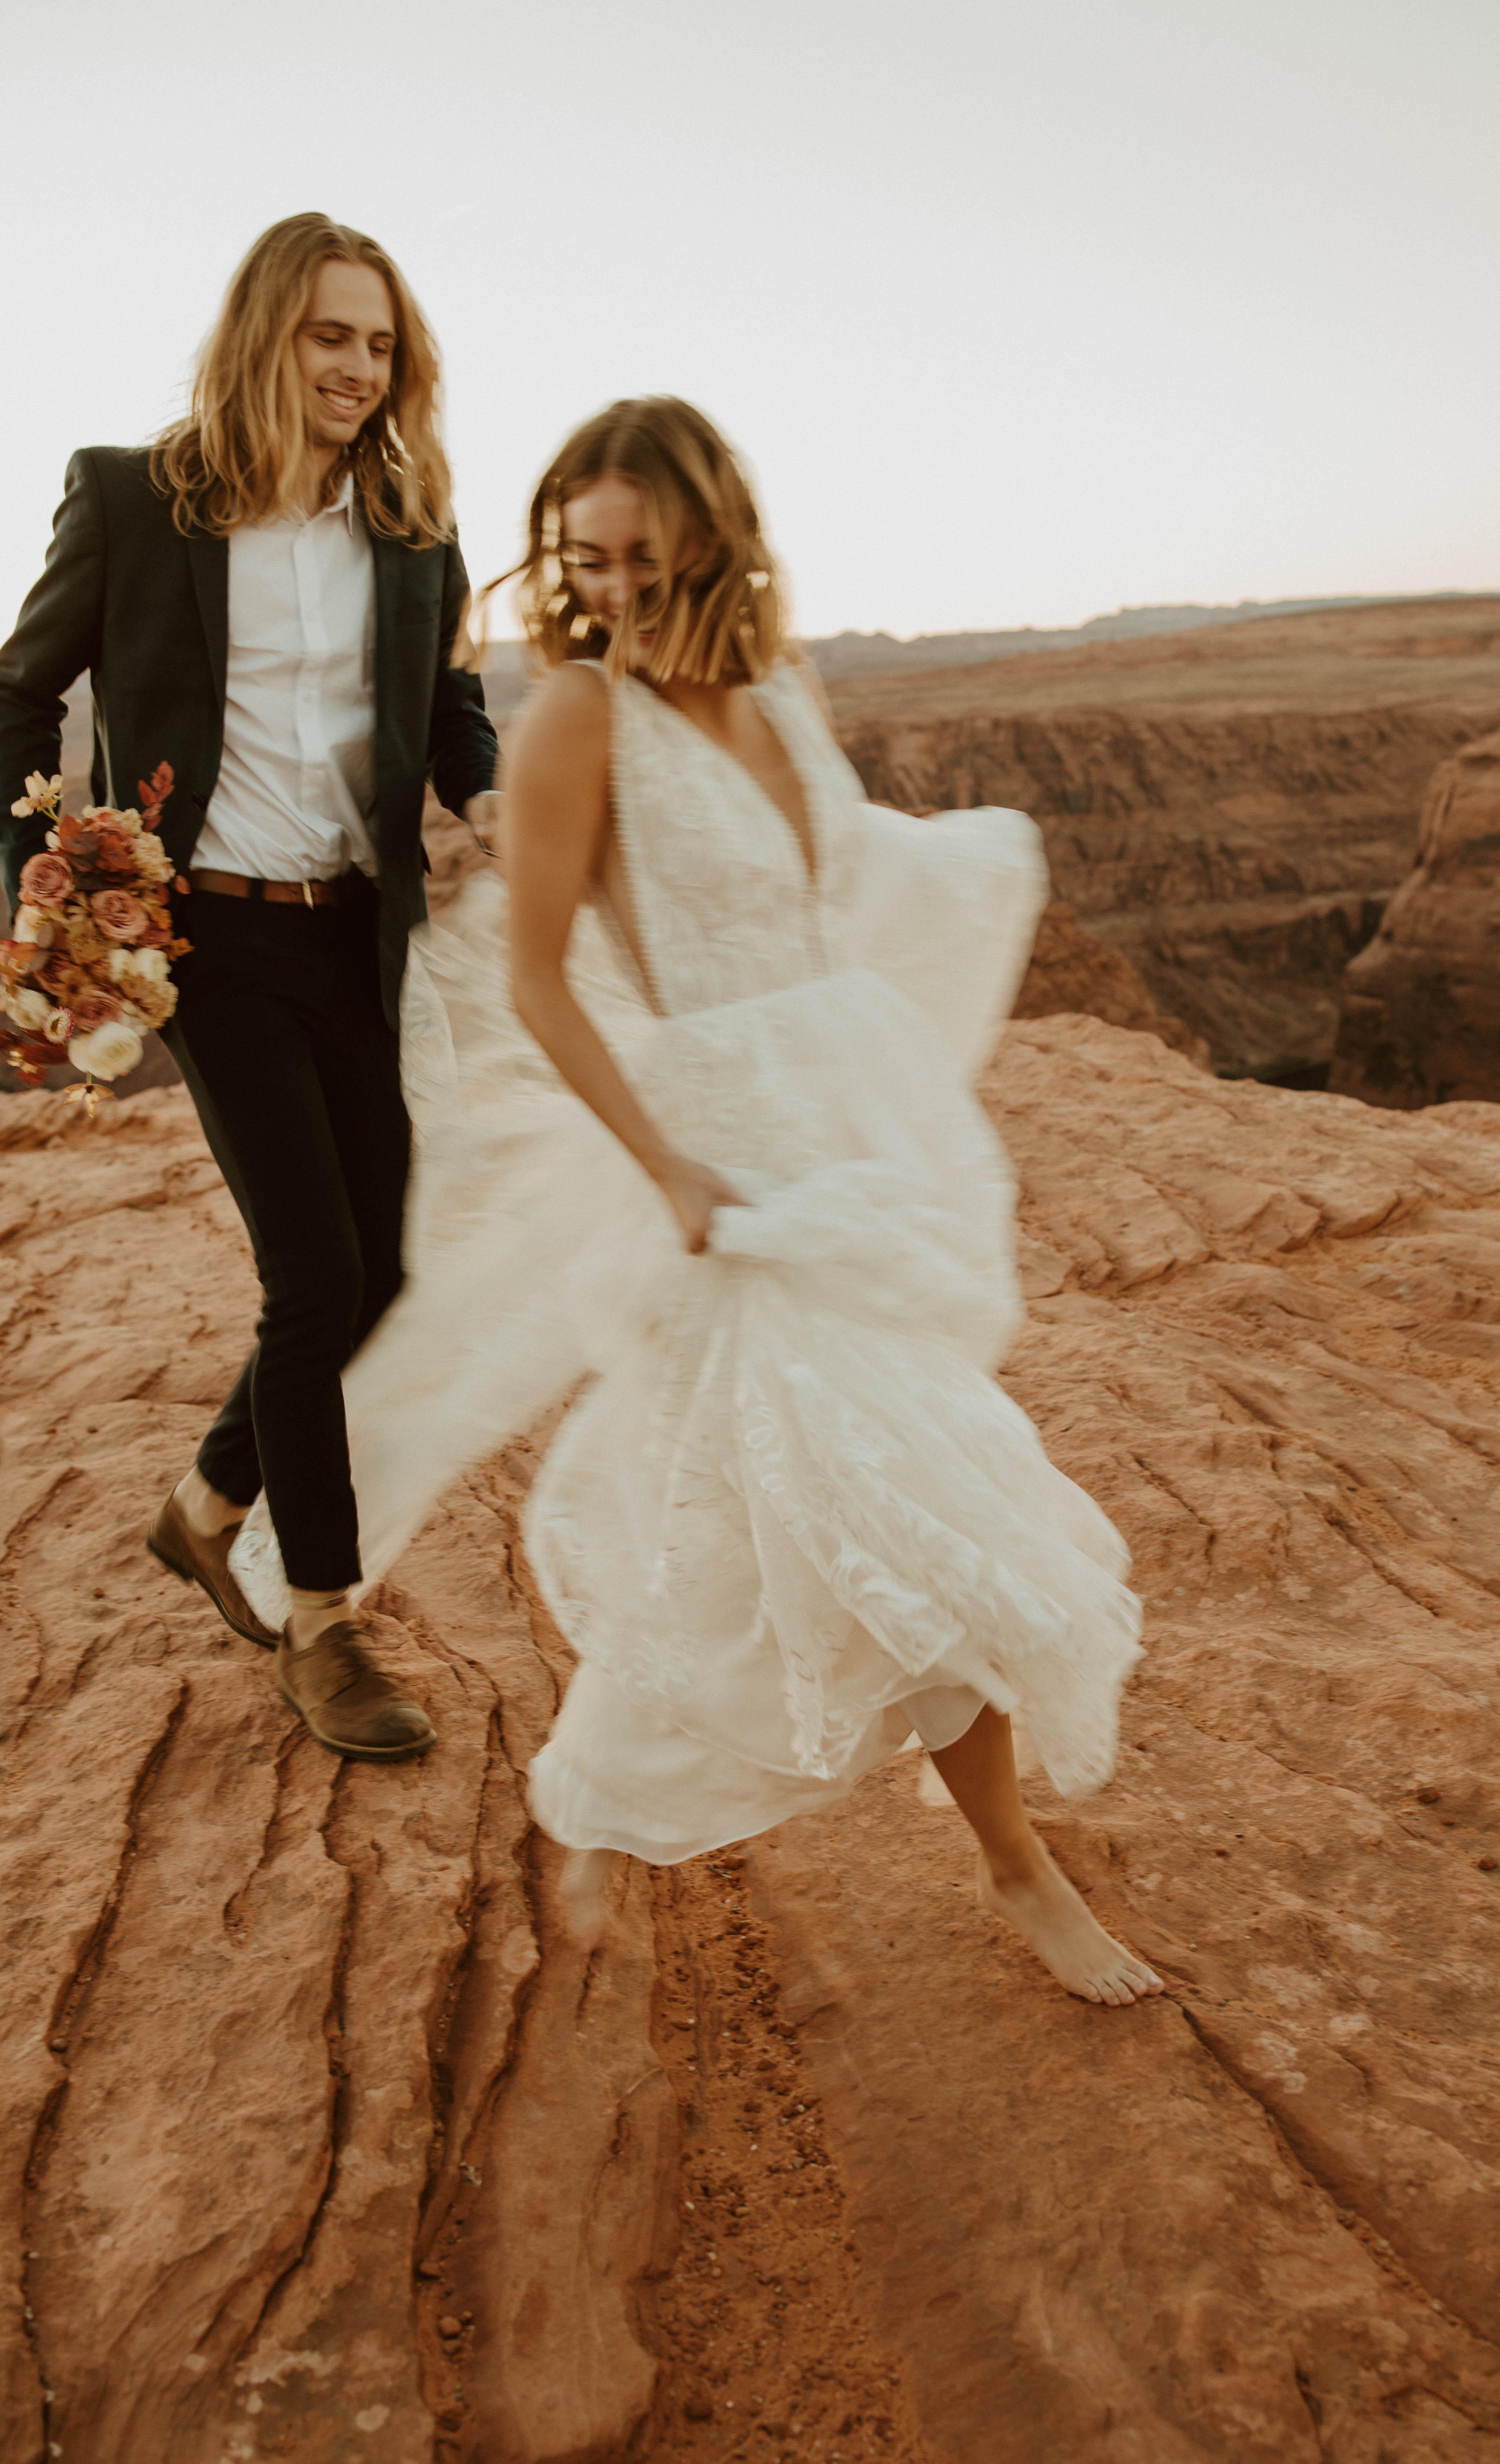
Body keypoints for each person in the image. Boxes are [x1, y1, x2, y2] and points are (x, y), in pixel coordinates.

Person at [232, 396, 1161, 2005]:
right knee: (906, 1498)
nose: (612, 590)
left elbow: (831, 900)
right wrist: (665, 1165)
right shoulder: (576, 720)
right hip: (721, 1168)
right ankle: (1010, 1868)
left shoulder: (780, 686)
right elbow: (536, 980)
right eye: (585, 560)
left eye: (644, 558)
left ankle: (603, 1811)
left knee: (816, 1514)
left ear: (715, 537)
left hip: (851, 1136)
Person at [0, 213, 500, 1758]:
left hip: (360, 937)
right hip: (210, 944)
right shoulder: (131, 499)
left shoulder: (412, 526)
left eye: (380, 344)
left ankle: (208, 1504)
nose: (358, 368)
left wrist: (489, 795)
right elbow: (18, 690)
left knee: (392, 1273)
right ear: (265, 335)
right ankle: (323, 1623)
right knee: (318, 1276)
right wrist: (43, 876)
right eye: (329, 335)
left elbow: (453, 705)